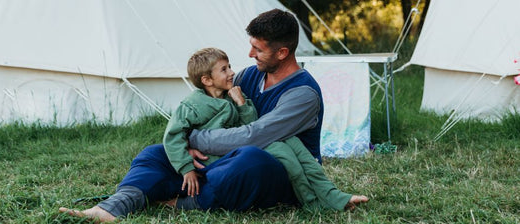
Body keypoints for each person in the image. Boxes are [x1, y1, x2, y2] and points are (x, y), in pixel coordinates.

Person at [59, 8, 368, 223]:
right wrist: (183, 144)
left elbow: (255, 136)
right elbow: (208, 115)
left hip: (281, 172)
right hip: (229, 155)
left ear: (282, 53)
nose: (249, 56)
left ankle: (185, 201)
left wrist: (196, 140)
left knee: (249, 160)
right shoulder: (248, 76)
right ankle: (114, 206)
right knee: (156, 153)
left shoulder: (302, 94)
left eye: (257, 49)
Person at [165, 47, 364, 211]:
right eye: (224, 70)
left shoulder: (231, 96)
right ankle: (312, 202)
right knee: (287, 156)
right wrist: (186, 167)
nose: (232, 72)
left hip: (238, 146)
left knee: (293, 143)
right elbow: (173, 134)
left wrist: (242, 103)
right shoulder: (193, 104)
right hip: (217, 157)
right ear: (207, 80)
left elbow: (250, 123)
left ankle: (333, 195)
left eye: (230, 67)